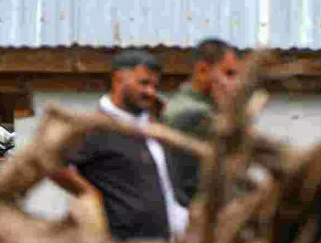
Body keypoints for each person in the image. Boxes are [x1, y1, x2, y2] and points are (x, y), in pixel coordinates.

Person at [69, 50, 188, 241]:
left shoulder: (151, 124)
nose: (151, 92)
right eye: (143, 83)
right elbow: (53, 165)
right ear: (118, 80)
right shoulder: (95, 126)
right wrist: (88, 193)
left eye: (155, 86)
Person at [162, 39, 242, 205]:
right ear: (202, 70)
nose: (236, 84)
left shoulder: (192, 106)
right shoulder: (194, 114)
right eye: (229, 74)